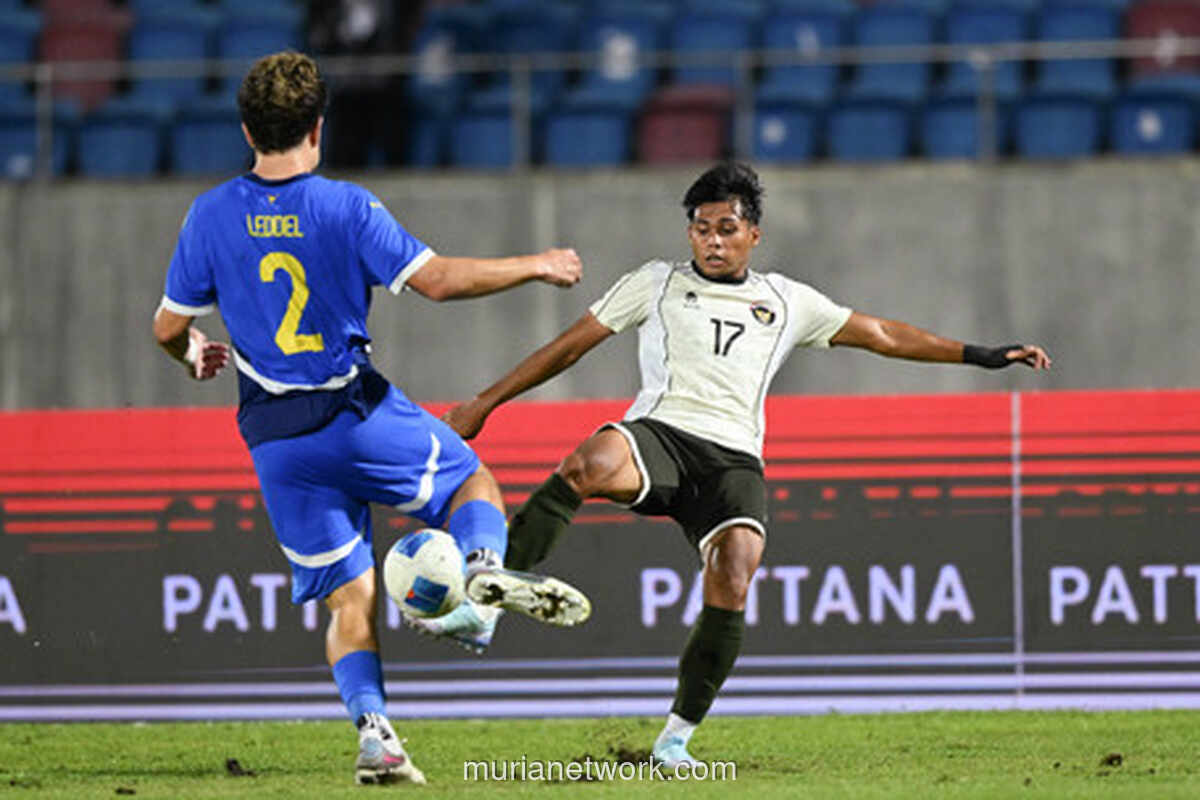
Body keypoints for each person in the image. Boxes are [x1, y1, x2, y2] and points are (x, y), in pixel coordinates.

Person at [422, 161, 1052, 768]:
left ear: (754, 233)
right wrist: (484, 403)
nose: (713, 241)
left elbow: (883, 335)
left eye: (727, 229)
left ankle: (674, 741)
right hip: (661, 436)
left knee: (736, 571)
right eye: (701, 228)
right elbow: (568, 347)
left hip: (732, 463)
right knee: (590, 461)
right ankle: (486, 608)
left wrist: (982, 355)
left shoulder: (786, 301)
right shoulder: (656, 282)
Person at [151, 51, 590, 786]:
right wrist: (537, 262)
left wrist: (193, 352)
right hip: (354, 412)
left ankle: (377, 737)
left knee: (348, 599)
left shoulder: (210, 214)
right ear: (318, 128)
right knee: (468, 482)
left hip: (276, 441)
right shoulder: (346, 207)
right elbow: (439, 283)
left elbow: (168, 327)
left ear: (245, 130)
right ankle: (481, 583)